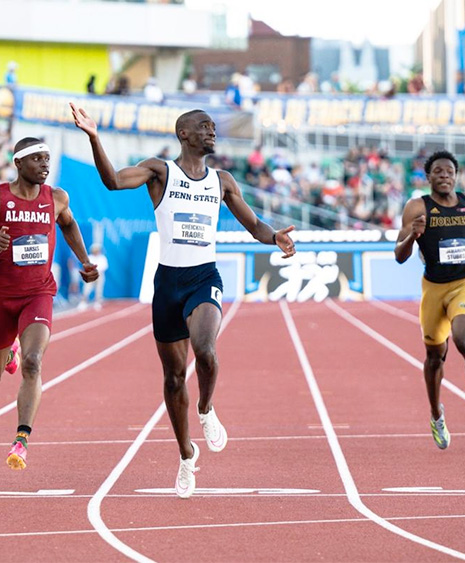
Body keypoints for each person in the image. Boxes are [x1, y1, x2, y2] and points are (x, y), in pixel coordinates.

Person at [70, 103, 296, 498]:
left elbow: (254, 224)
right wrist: (94, 136)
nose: (211, 132)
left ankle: (206, 410)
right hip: (168, 284)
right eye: (203, 127)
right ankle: (186, 454)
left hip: (203, 277)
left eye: (213, 127)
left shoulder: (222, 181)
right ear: (184, 134)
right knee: (174, 378)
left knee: (206, 350)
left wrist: (274, 235)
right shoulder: (160, 171)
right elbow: (112, 182)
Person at [0, 137, 98, 471]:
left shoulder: (57, 198)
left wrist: (85, 261)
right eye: (37, 159)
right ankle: (8, 352)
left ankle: (21, 439)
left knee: (34, 362)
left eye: (48, 159)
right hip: (1, 296)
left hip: (38, 293)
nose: (45, 165)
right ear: (18, 163)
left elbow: (69, 225)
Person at [394, 149, 465, 450]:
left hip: (464, 284)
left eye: (449, 171)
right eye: (438, 172)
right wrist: (413, 236)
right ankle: (436, 414)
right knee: (434, 357)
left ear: (456, 175)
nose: (444, 176)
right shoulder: (417, 208)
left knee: (464, 339)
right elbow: (399, 256)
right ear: (428, 177)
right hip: (433, 289)